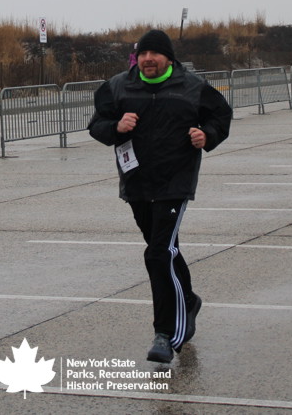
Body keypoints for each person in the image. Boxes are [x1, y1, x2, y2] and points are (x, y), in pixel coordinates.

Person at [88, 29, 232, 364]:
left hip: (175, 182)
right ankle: (189, 301)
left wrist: (206, 135)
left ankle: (167, 334)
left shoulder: (192, 86)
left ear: (169, 58)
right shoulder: (118, 87)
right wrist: (115, 127)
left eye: (155, 54)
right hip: (137, 183)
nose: (148, 59)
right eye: (143, 54)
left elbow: (221, 115)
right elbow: (97, 125)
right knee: (165, 251)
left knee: (157, 254)